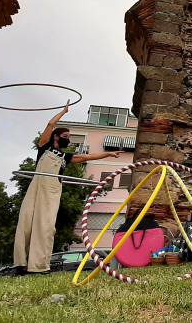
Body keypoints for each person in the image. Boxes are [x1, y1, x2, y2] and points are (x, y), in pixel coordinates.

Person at [13, 102, 120, 275]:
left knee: (46, 226)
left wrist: (108, 153)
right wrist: (63, 111)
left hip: (53, 189)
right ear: (57, 137)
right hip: (37, 186)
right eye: (66, 135)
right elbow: (50, 125)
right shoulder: (44, 147)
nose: (68, 139)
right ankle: (20, 264)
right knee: (25, 222)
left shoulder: (66, 156)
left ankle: (38, 266)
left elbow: (88, 156)